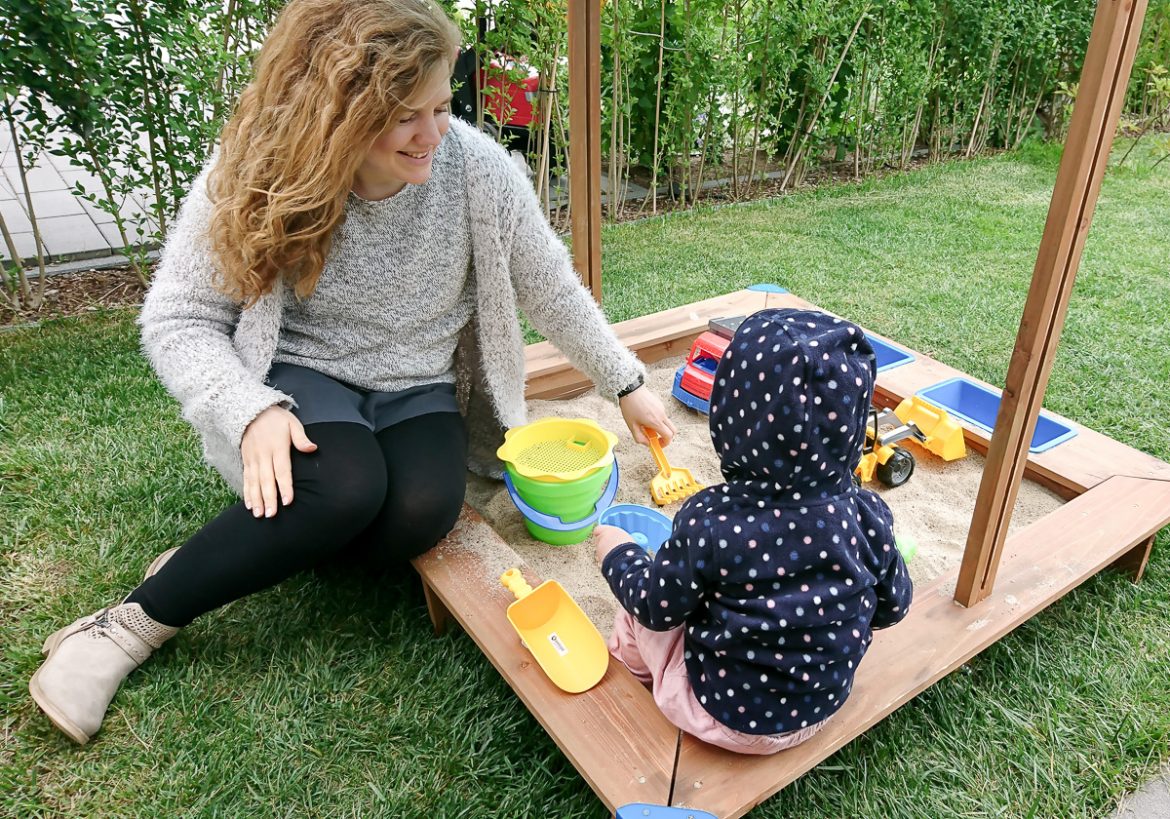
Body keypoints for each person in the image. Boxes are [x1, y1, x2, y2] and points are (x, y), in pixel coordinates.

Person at [29, 0, 674, 746]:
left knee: (420, 515)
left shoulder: (479, 172)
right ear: (338, 109)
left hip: (419, 383)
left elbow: (550, 286)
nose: (434, 133)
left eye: (442, 104)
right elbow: (176, 319)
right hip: (302, 375)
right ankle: (130, 622)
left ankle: (249, 542)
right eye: (407, 115)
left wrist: (625, 383)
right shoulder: (255, 170)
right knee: (346, 486)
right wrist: (251, 407)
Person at [593, 308, 912, 755]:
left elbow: (656, 606)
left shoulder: (712, 520)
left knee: (638, 607)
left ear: (731, 418)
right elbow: (893, 607)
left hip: (723, 715)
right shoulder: (866, 515)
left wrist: (618, 553)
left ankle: (636, 676)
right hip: (821, 706)